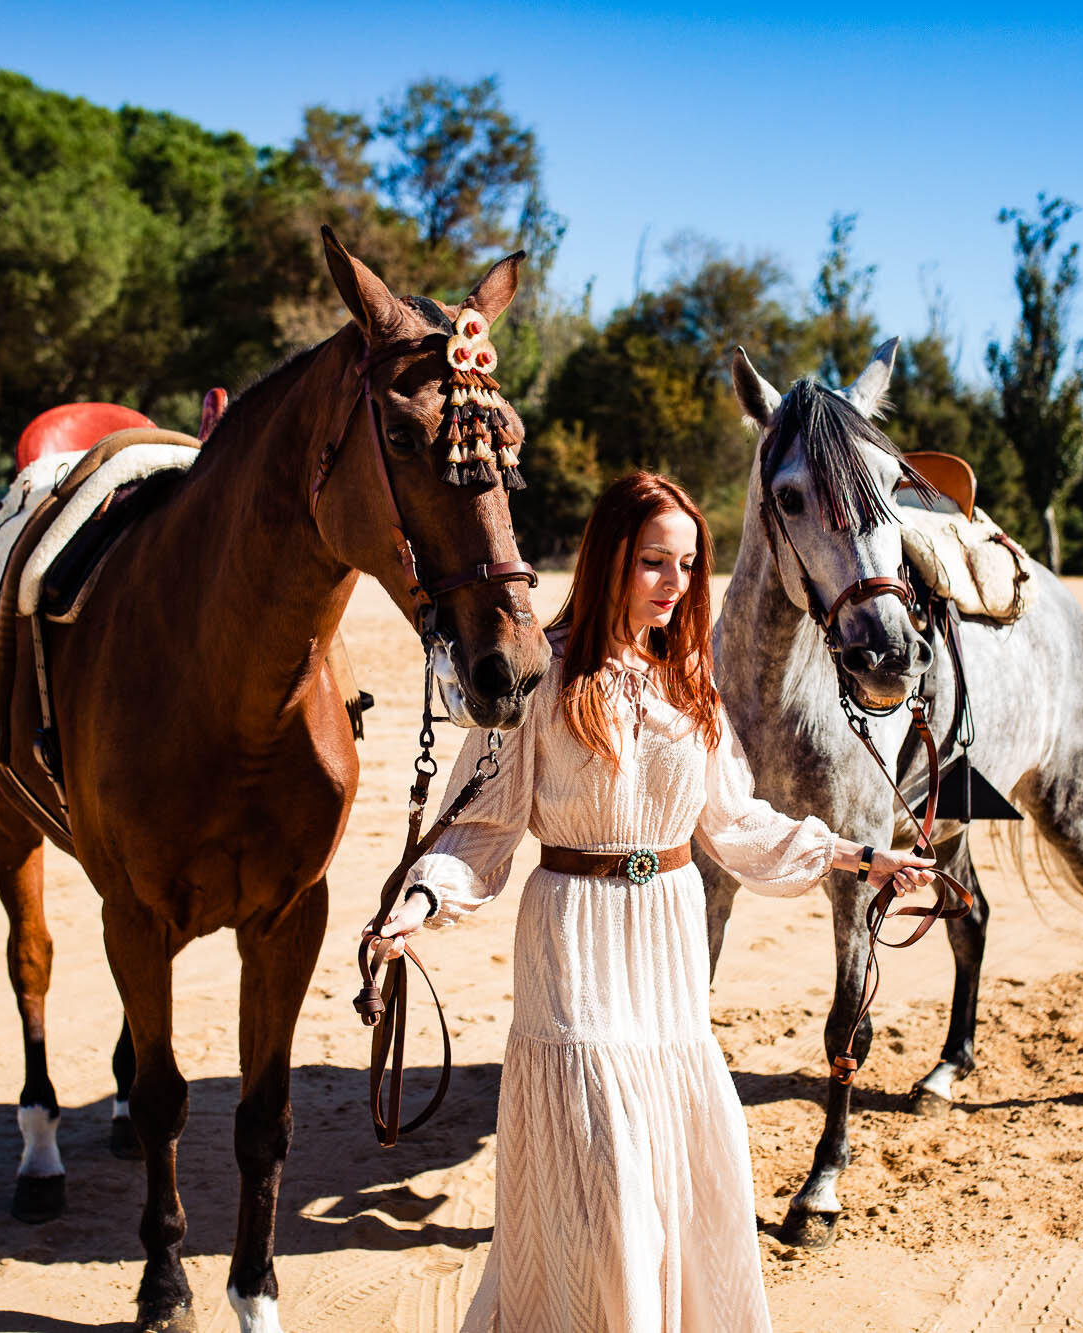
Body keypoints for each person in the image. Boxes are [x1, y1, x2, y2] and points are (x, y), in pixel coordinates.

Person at [370, 471, 951, 1332]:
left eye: (686, 564)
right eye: (653, 562)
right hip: (574, 937)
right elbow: (483, 829)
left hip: (667, 946)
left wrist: (858, 856)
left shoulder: (690, 683)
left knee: (663, 1165)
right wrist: (421, 901)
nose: (674, 584)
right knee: (602, 1166)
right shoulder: (545, 678)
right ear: (609, 560)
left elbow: (739, 825)